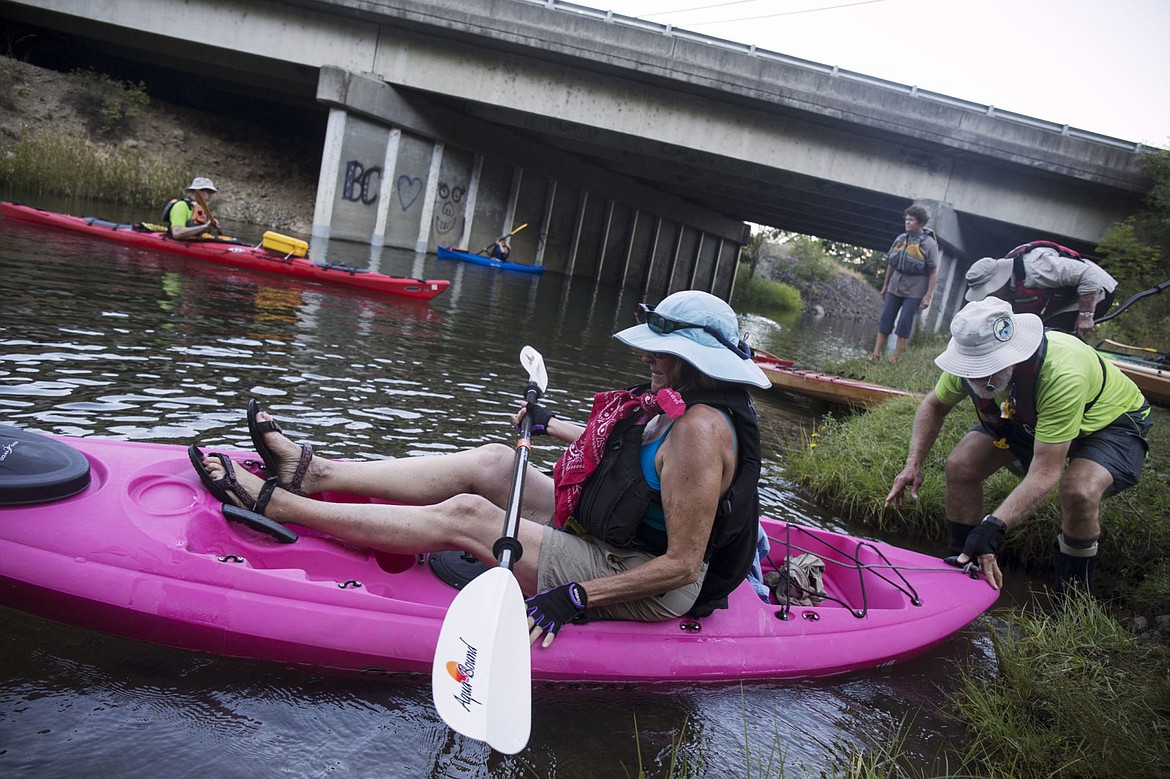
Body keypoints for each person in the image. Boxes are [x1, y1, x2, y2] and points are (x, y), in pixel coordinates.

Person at [189, 290, 770, 646]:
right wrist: (548, 426)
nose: (647, 358)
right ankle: (312, 474)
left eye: (660, 352)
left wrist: (578, 599)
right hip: (614, 535)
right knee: (496, 462)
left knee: (471, 517)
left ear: (698, 361)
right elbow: (631, 455)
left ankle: (280, 504)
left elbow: (683, 564)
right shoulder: (677, 402)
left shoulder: (700, 431)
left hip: (641, 574)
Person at [884, 297, 1151, 595]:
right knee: (961, 465)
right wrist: (914, 462)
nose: (977, 375)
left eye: (987, 366)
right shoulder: (968, 362)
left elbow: (1045, 471)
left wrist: (993, 527)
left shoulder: (1062, 373)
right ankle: (963, 565)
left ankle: (1074, 599)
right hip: (1028, 416)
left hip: (1107, 422)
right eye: (972, 367)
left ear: (1014, 353)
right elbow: (933, 406)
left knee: (1079, 492)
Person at [963, 242, 1118, 337]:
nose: (987, 297)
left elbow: (1088, 275)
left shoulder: (1037, 268)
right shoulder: (1012, 284)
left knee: (1052, 336)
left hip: (1096, 290)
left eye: (987, 292)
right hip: (1063, 296)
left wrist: (1085, 316)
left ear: (998, 282)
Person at [868, 205, 940, 363]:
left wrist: (928, 295)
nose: (907, 222)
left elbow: (933, 271)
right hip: (895, 286)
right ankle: (876, 354)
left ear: (920, 222)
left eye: (911, 220)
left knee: (904, 323)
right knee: (886, 319)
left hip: (915, 290)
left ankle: (896, 359)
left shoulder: (929, 244)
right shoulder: (901, 239)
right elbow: (891, 264)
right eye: (906, 219)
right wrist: (885, 285)